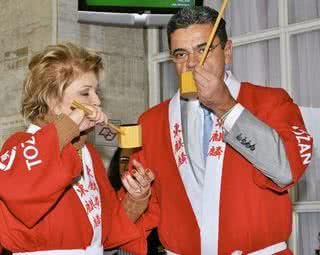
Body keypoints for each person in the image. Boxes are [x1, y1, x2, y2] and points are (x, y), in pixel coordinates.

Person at [123, 6, 313, 255]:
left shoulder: (271, 102)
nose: (192, 63)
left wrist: (225, 106)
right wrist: (137, 199)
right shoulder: (151, 122)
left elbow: (286, 170)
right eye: (181, 54)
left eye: (203, 49)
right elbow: (137, 214)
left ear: (227, 51)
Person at [0, 43, 154, 254]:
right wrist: (69, 126)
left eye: (96, 92)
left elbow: (107, 231)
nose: (97, 101)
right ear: (53, 100)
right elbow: (19, 191)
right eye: (85, 93)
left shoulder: (88, 153)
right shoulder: (20, 145)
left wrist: (135, 198)